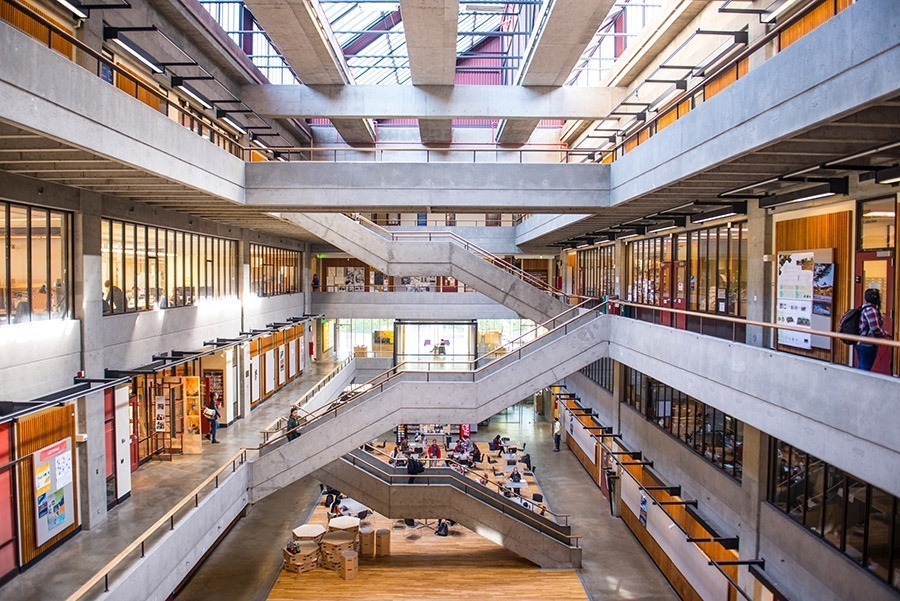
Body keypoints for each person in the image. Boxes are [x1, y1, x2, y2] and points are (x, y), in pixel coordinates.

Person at [857, 288, 890, 371]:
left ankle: (857, 382)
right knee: (865, 368)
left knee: (861, 366)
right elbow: (874, 328)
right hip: (867, 343)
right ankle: (861, 383)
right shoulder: (871, 310)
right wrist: (884, 334)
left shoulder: (864, 307)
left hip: (860, 341)